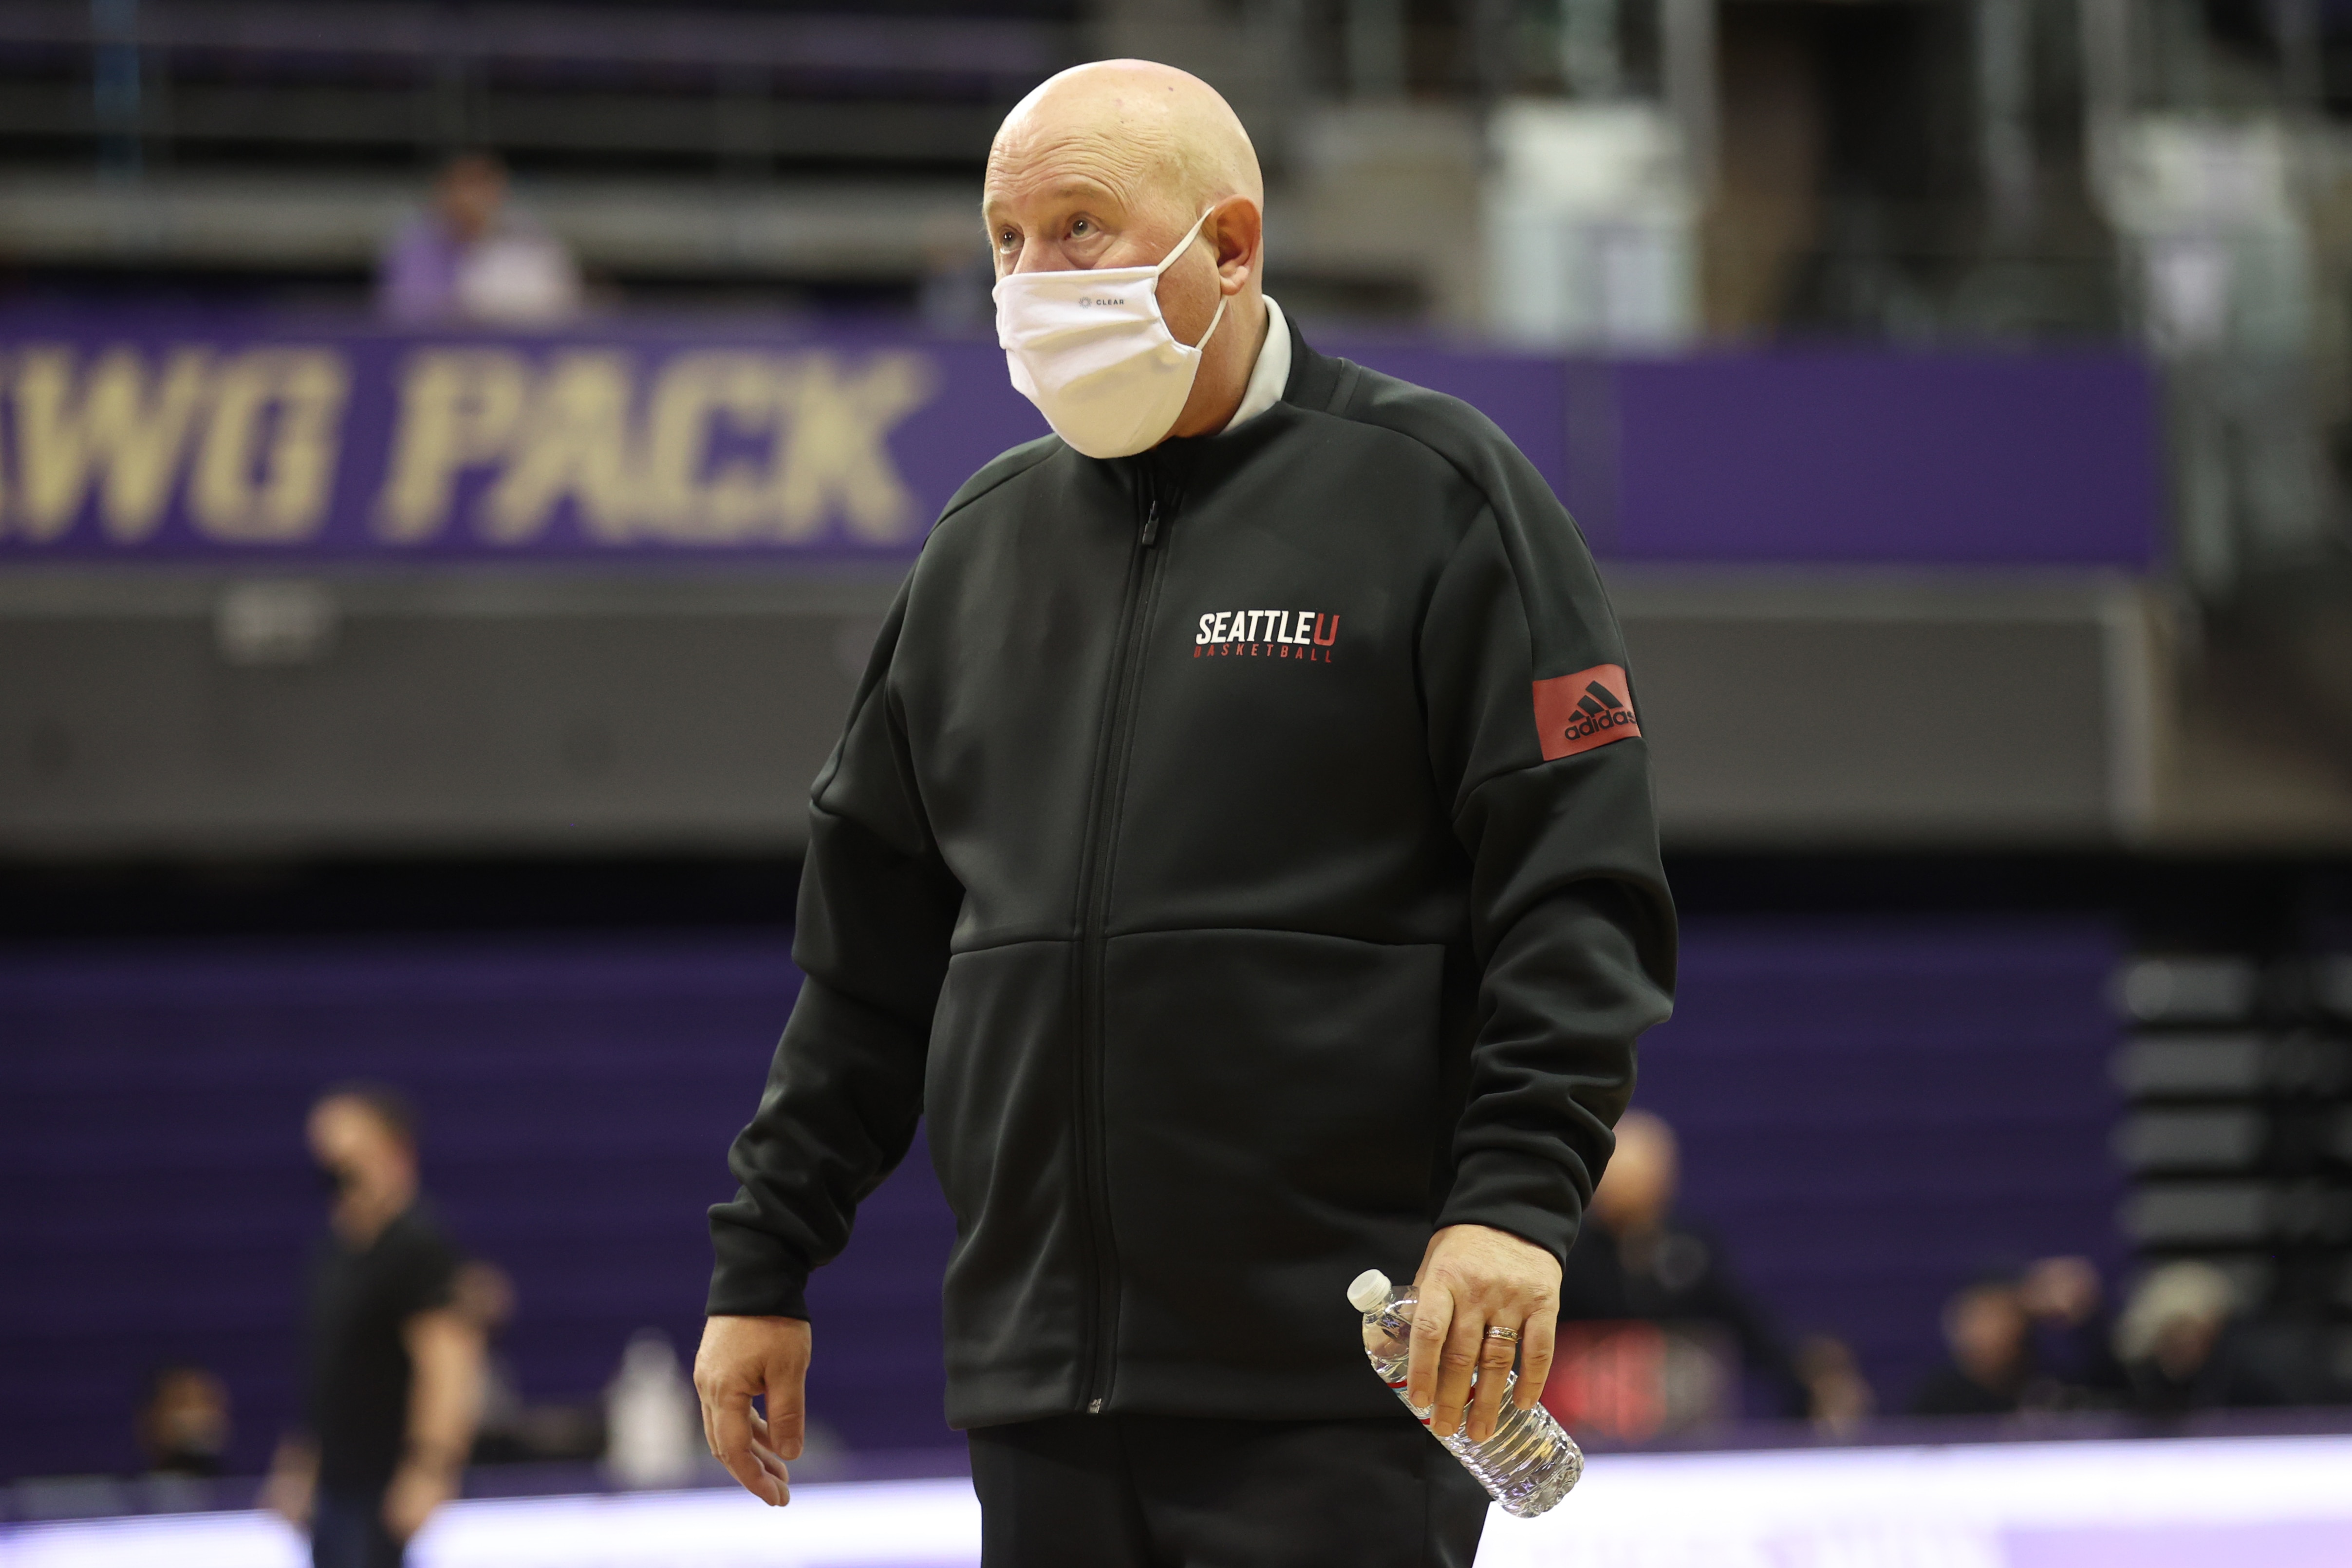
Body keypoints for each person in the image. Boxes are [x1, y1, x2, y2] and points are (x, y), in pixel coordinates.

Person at [693, 58, 1676, 1568]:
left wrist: (1511, 1206)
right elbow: (864, 967)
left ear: (1229, 247)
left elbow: (1576, 890)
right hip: (1039, 1394)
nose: (1029, 279)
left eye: (1079, 227)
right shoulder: (976, 550)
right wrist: (763, 1260)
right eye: (1004, 240)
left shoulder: (1436, 494)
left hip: (1338, 1384)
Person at [263, 1087, 485, 1568]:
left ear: (393, 1151)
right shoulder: (338, 1251)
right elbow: (329, 1370)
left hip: (383, 1486)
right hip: (337, 1486)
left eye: (350, 1157)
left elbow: (448, 1361)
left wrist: (430, 1466)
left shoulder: (417, 1245)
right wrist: (303, 1463)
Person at [1555, 1110, 1872, 1431]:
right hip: (1587, 1430)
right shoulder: (1570, 1253)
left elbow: (1747, 1324)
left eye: (1641, 1172)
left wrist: (1810, 1380)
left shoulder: (1691, 1249)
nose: (1627, 1185)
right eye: (1617, 1172)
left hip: (1682, 1431)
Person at [376, 151, 581, 326]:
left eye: (481, 186)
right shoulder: (414, 247)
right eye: (462, 186)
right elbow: (400, 318)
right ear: (443, 192)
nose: (470, 199)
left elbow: (559, 317)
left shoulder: (532, 244)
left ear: (498, 192)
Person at [135, 1365, 232, 1478]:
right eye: (183, 1402)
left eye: (208, 1401)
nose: (198, 1414)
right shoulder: (130, 1491)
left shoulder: (244, 1490)